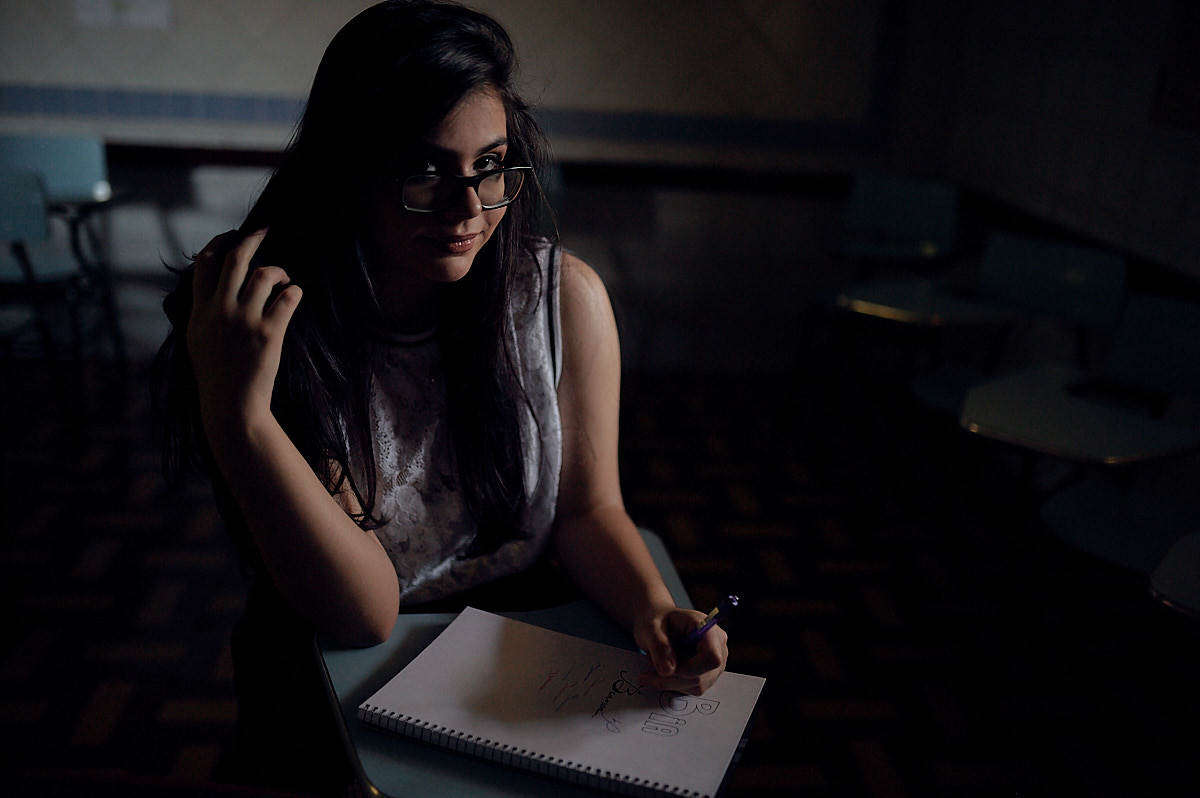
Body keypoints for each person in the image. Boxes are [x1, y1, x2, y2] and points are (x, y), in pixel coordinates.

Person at [156, 0, 728, 791]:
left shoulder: (561, 297)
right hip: (335, 647)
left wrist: (650, 608)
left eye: (491, 165)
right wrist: (242, 418)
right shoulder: (280, 325)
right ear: (350, 169)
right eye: (424, 172)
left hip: (523, 630)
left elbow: (587, 510)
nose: (468, 210)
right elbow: (364, 615)